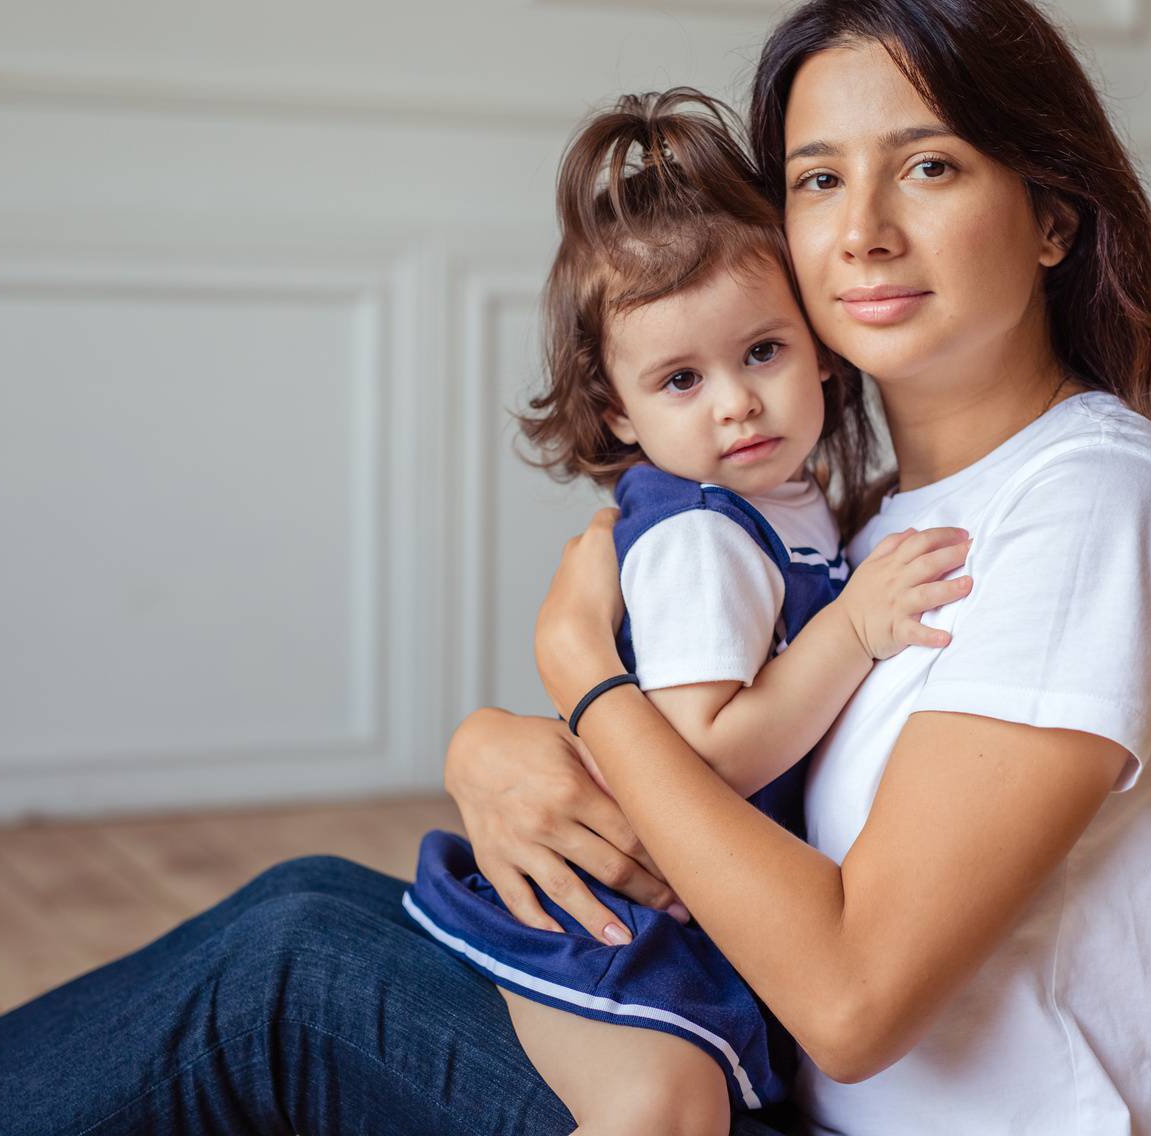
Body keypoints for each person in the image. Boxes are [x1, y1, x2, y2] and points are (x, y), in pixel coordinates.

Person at [0, 0, 1151, 1136]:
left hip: (798, 1097)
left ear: (1049, 213)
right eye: (820, 179)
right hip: (771, 1085)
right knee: (303, 927)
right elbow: (754, 809)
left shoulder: (1095, 511)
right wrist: (505, 751)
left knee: (286, 976)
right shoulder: (888, 518)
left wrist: (577, 681)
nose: (864, 230)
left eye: (930, 166)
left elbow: (851, 990)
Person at [404, 89, 969, 1132]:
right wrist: (850, 631)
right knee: (661, 1105)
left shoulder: (784, 500)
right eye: (679, 378)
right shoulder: (702, 537)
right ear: (616, 408)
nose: (735, 401)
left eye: (763, 351)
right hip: (615, 919)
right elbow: (701, 759)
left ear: (819, 344)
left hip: (689, 909)